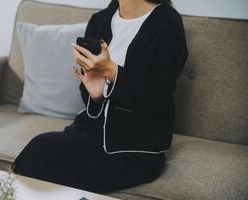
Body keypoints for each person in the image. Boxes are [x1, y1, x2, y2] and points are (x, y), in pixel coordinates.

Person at [11, 0, 188, 194]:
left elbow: (156, 98)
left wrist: (112, 71)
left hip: (135, 149)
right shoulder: (100, 20)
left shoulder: (168, 24)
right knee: (41, 158)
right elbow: (88, 90)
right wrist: (96, 95)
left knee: (41, 151)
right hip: (90, 131)